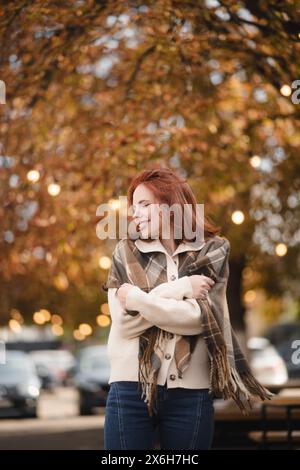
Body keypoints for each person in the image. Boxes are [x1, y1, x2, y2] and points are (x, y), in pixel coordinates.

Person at [102, 167, 271, 450]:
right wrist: (181, 289)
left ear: (171, 207)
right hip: (130, 388)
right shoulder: (125, 251)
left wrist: (136, 299)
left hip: (190, 394)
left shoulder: (212, 250)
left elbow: (201, 318)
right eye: (134, 206)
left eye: (145, 204)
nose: (135, 213)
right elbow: (125, 323)